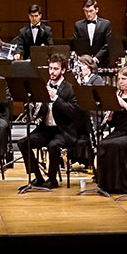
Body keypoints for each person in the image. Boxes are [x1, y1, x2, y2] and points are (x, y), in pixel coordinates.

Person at [20, 54, 81, 189]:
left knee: (53, 145)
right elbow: (41, 112)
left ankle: (52, 179)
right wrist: (36, 105)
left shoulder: (70, 88)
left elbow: (73, 113)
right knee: (23, 142)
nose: (52, 72)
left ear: (63, 70)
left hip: (63, 130)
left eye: (56, 69)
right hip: (47, 129)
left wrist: (56, 98)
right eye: (50, 68)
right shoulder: (44, 86)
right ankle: (39, 177)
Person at [72, 0, 111, 64]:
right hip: (84, 62)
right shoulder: (78, 25)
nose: (88, 14)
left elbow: (107, 44)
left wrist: (96, 58)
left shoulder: (106, 24)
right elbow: (76, 44)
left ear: (96, 10)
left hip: (101, 61)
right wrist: (84, 59)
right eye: (86, 11)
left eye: (91, 11)